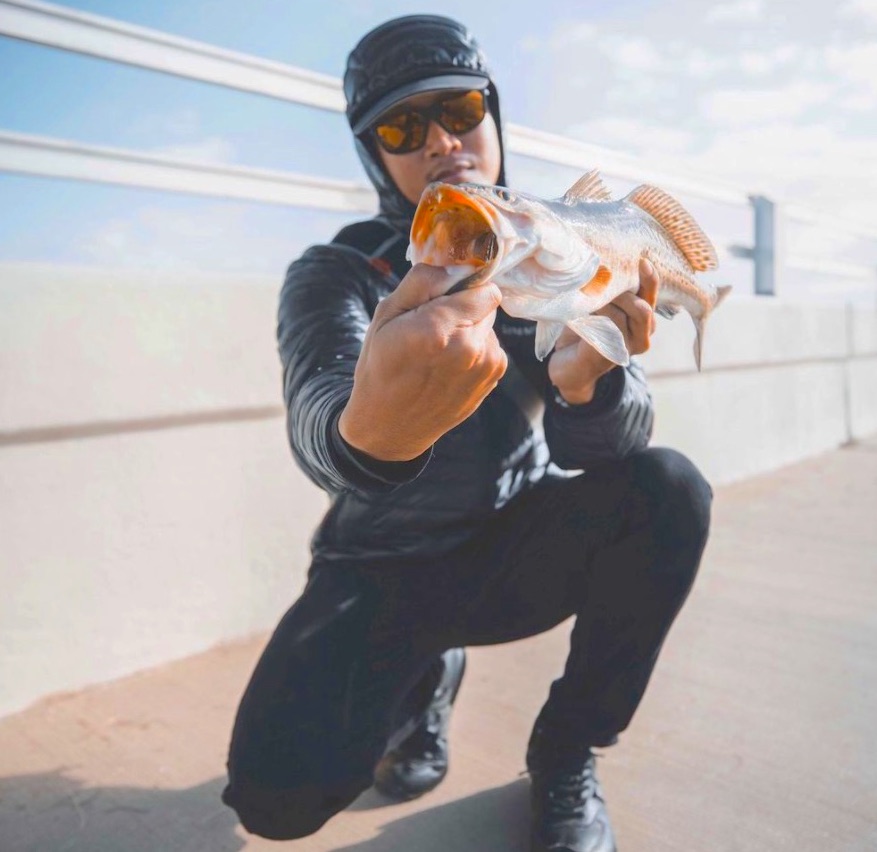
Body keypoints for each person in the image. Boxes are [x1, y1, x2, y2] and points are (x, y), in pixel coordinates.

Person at [221, 15, 712, 852]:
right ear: (373, 154)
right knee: (271, 799)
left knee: (667, 489)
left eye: (459, 108)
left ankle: (565, 753)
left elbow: (609, 451)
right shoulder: (338, 273)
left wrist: (585, 388)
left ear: (493, 117)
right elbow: (316, 414)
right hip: (378, 569)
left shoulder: (557, 250)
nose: (441, 140)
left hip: (506, 553)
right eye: (400, 126)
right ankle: (423, 684)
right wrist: (367, 431)